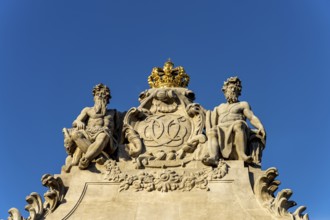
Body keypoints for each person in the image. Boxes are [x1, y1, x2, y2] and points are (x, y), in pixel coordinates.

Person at [203, 77, 266, 166]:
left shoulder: (243, 104)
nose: (233, 90)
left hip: (238, 127)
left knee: (239, 124)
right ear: (225, 90)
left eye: (235, 88)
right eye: (230, 88)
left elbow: (251, 117)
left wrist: (260, 126)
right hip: (222, 128)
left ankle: (242, 155)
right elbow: (213, 122)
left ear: (238, 91)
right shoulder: (219, 107)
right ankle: (214, 157)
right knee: (212, 131)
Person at [62, 83, 119, 171]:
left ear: (107, 99)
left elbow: (119, 129)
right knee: (75, 134)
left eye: (103, 96)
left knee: (103, 136)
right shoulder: (87, 110)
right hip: (89, 133)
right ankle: (99, 156)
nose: (100, 97)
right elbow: (75, 122)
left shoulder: (113, 113)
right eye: (98, 95)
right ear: (94, 97)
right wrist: (78, 122)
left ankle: (86, 159)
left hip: (106, 137)